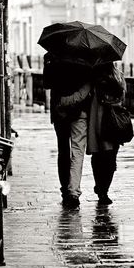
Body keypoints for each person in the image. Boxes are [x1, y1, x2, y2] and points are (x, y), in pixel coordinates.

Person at [43, 53, 91, 208]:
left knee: (63, 150)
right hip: (79, 112)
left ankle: (65, 190)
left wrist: (48, 62)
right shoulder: (86, 58)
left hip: (60, 111)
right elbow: (89, 84)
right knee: (77, 152)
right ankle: (73, 192)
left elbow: (47, 83)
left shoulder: (53, 56)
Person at [87, 62, 126, 205]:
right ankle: (104, 190)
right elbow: (122, 99)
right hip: (112, 123)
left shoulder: (92, 79)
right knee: (110, 159)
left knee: (98, 158)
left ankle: (101, 188)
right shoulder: (119, 78)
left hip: (97, 122)